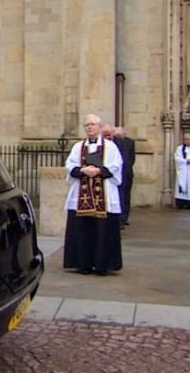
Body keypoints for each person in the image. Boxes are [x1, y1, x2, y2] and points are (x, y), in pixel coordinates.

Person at [63, 114, 124, 274]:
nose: (89, 127)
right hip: (81, 195)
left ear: (99, 127)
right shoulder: (78, 147)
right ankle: (84, 264)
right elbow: (70, 166)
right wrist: (83, 170)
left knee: (102, 230)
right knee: (83, 230)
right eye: (87, 125)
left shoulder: (110, 147)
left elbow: (117, 165)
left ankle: (102, 265)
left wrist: (99, 170)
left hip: (104, 193)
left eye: (92, 124)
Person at [114, 126, 136, 228]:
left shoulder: (130, 142)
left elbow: (132, 157)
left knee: (126, 196)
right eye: (117, 135)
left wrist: (127, 168)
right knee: (120, 195)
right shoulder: (113, 142)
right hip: (118, 173)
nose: (118, 137)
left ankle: (125, 217)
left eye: (120, 135)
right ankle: (120, 219)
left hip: (127, 172)